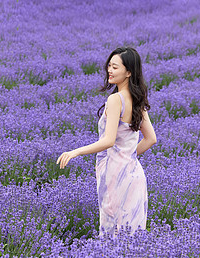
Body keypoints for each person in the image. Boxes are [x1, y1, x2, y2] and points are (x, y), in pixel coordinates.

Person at [56, 47, 156, 237]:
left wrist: (76, 152)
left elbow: (108, 140)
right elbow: (151, 139)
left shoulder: (115, 100)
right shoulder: (138, 100)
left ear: (128, 72)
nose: (109, 70)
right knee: (132, 234)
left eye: (115, 67)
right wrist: (128, 155)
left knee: (112, 233)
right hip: (134, 175)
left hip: (115, 175)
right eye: (109, 65)